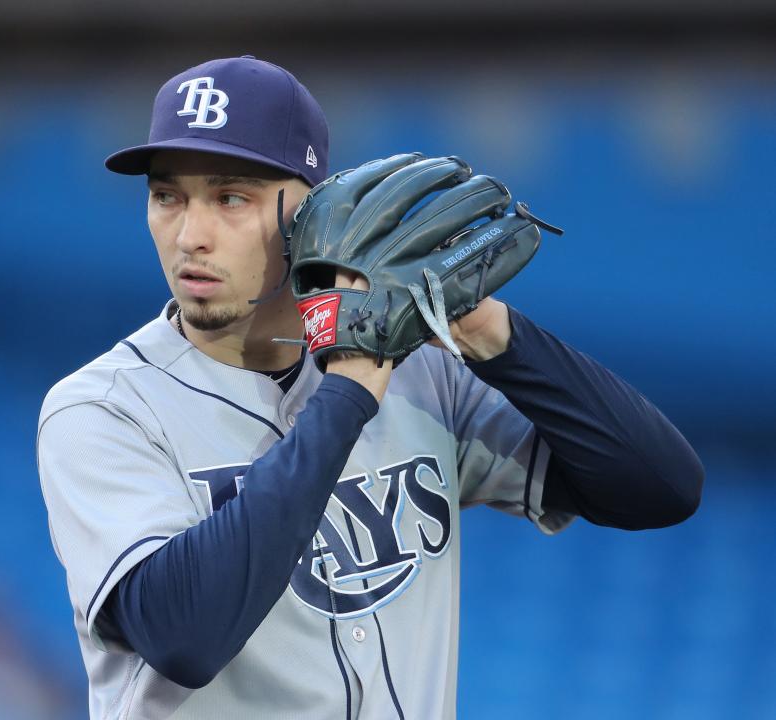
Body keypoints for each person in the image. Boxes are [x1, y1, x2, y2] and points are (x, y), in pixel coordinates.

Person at [36, 55, 703, 720]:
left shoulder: (424, 375)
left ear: (310, 210)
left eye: (230, 196)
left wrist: (489, 330)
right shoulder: (103, 411)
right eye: (166, 196)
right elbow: (185, 636)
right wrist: (349, 390)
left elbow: (660, 486)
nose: (190, 235)